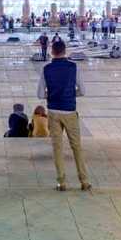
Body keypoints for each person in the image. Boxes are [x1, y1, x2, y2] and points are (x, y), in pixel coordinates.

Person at [37, 39, 90, 191]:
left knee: (57, 148)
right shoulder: (74, 67)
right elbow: (83, 91)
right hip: (70, 111)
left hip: (53, 112)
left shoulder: (46, 69)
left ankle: (61, 182)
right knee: (76, 147)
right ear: (64, 51)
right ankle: (84, 181)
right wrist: (70, 94)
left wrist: (52, 95)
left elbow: (40, 94)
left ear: (52, 52)